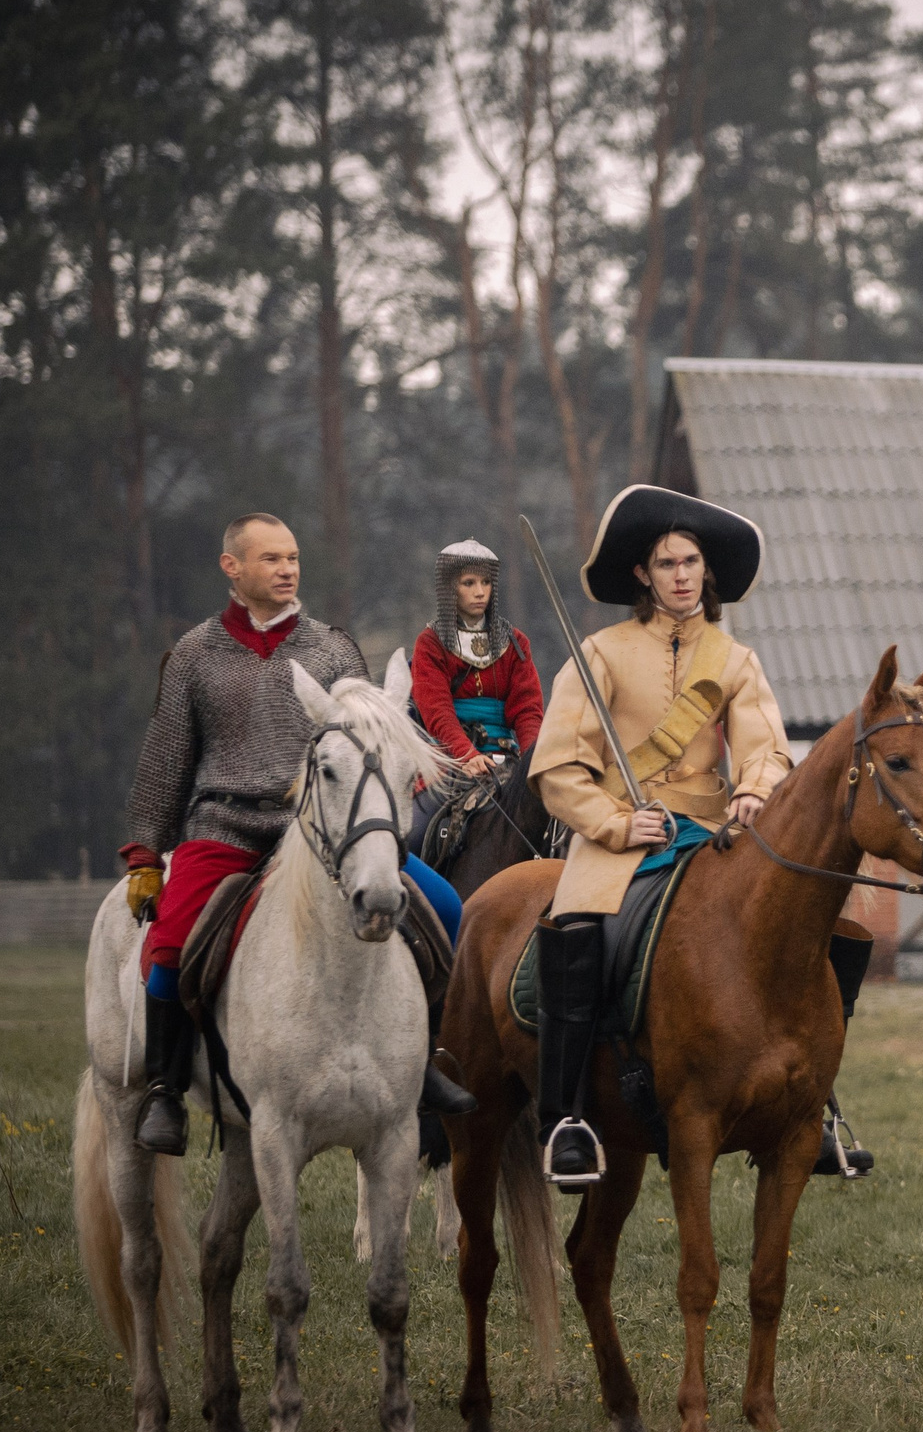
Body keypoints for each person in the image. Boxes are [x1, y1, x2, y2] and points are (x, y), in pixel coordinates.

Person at [523, 485, 867, 1188]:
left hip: (711, 829)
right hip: (620, 832)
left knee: (838, 930)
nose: (680, 574)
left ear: (707, 574)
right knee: (576, 925)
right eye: (665, 562)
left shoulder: (735, 659)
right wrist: (617, 823)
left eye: (691, 562)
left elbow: (767, 747)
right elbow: (557, 765)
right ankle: (566, 1119)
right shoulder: (600, 653)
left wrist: (751, 789)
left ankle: (816, 1104)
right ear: (643, 576)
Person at [119, 514, 474, 1156]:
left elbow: (371, 736)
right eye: (271, 559)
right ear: (233, 567)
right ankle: (167, 1090)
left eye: (294, 558)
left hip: (321, 831)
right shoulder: (195, 654)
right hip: (225, 826)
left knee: (444, 907)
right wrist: (147, 852)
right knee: (169, 941)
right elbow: (166, 758)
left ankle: (420, 1064)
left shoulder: (333, 648)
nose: (288, 570)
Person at [408, 539, 545, 773]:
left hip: (506, 755)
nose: (480, 592)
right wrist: (465, 754)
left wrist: (533, 761)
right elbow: (437, 710)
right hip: (447, 759)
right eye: (468, 583)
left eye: (486, 582)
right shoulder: (431, 643)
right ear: (451, 587)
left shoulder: (515, 642)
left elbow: (528, 711)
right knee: (419, 810)